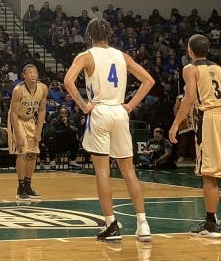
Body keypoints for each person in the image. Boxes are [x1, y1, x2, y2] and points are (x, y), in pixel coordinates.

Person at [64, 18, 155, 242]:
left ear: (89, 36)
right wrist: (130, 105)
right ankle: (143, 224)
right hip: (119, 111)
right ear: (109, 35)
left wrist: (84, 105)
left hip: (100, 111)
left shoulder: (86, 56)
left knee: (102, 172)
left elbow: (68, 81)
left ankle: (110, 224)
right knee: (129, 171)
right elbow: (148, 80)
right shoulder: (121, 55)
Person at [170, 34, 221, 239]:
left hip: (211, 117)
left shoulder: (190, 69)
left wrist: (175, 124)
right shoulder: (219, 69)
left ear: (190, 50)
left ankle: (211, 223)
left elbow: (189, 98)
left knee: (210, 173)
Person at [8, 64, 47, 199]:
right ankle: (21, 186)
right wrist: (17, 135)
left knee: (33, 153)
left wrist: (39, 131)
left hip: (31, 119)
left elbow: (42, 110)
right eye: (29, 72)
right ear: (23, 76)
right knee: (22, 152)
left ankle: (28, 185)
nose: (32, 74)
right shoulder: (18, 90)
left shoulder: (43, 88)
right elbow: (13, 113)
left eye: (34, 71)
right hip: (17, 119)